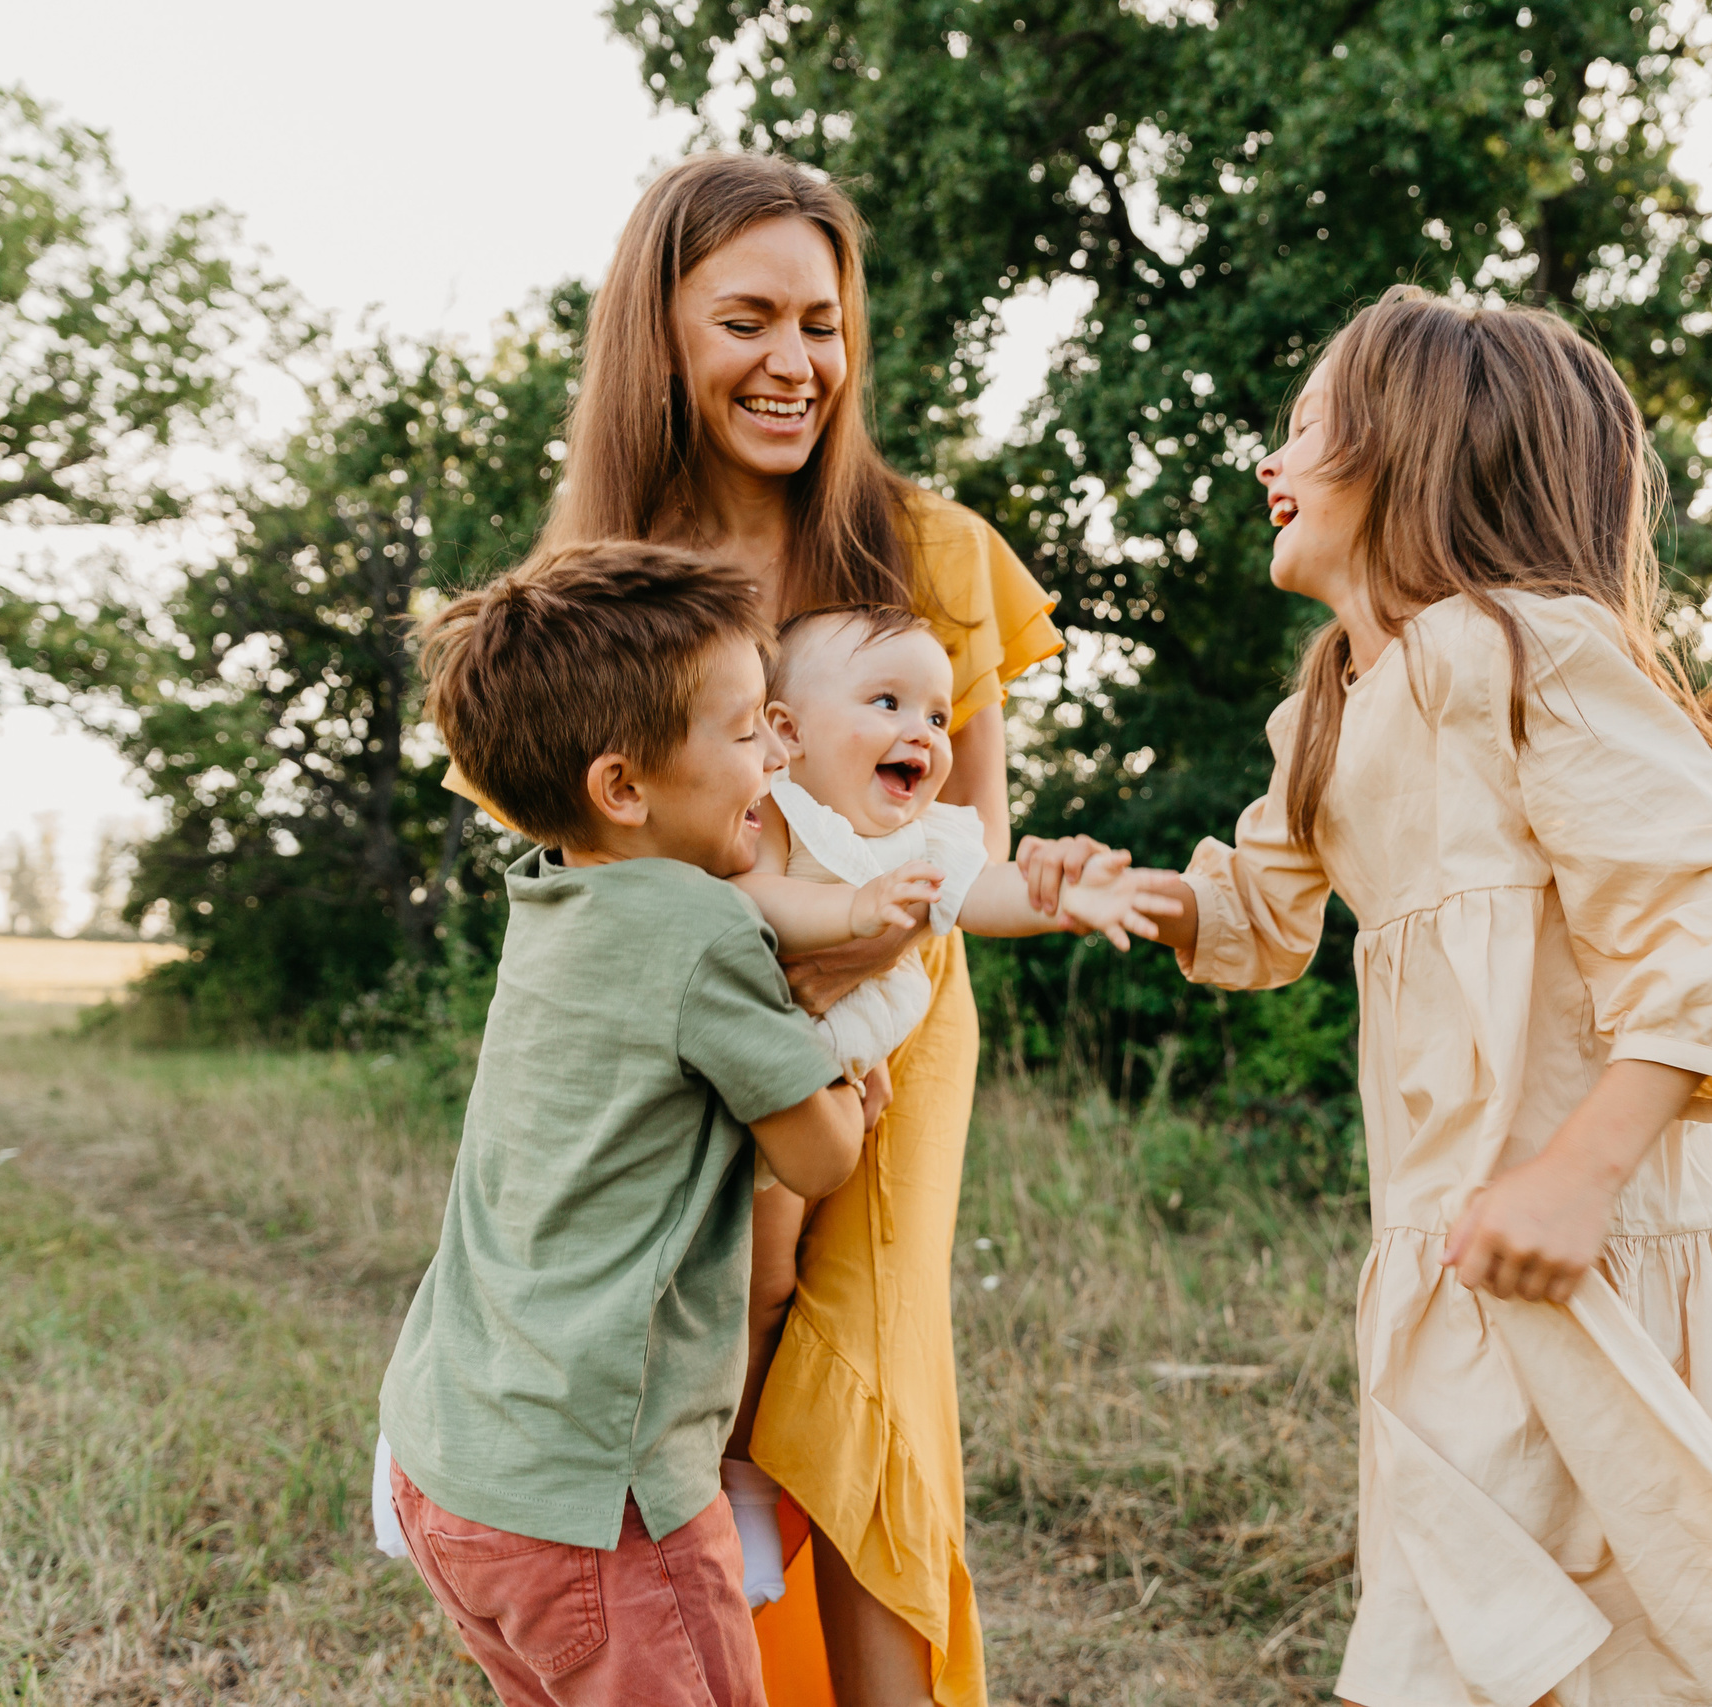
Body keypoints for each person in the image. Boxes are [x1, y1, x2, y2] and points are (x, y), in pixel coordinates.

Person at [1141, 288, 1712, 1707]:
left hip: (1604, 1236)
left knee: (1640, 1638)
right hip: (1466, 1254)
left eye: (1303, 427)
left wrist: (1578, 1176)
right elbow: (1261, 914)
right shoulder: (1331, 711)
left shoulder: (1520, 652)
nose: (1267, 461)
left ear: (1414, 451)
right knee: (1489, 1631)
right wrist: (1125, 894)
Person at [445, 153, 1078, 1707]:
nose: (795, 362)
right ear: (658, 337)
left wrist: (861, 946)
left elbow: (964, 842)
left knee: (861, 1383)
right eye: (747, 320)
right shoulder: (596, 587)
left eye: (823, 322)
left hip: (882, 1019)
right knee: (679, 1365)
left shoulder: (934, 553)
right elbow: (580, 871)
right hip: (666, 1038)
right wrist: (748, 963)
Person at [378, 542, 872, 1707]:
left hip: (455, 1471)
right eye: (746, 731)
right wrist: (846, 1076)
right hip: (603, 1512)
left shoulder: (551, 895)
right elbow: (818, 1154)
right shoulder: (699, 926)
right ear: (623, 787)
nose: (776, 754)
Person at [721, 602, 1174, 1610]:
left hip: (824, 1087)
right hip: (744, 1080)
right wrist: (853, 910)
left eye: (935, 713)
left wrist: (1062, 903)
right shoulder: (776, 812)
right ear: (787, 730)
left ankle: (743, 1480)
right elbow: (757, 903)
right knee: (725, 1287)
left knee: (775, 1290)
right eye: (886, 702)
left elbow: (983, 895)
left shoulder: (928, 837)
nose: (922, 731)